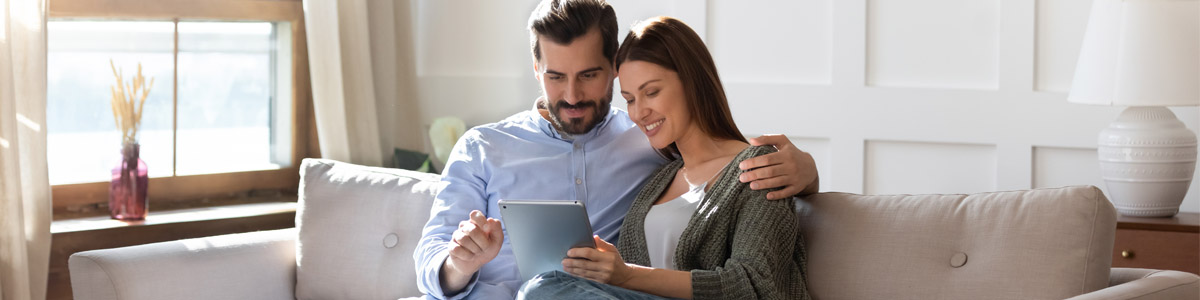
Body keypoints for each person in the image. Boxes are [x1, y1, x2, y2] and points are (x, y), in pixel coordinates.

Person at [413, 1, 818, 299]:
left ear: (613, 66)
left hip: (580, 294)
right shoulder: (482, 147)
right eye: (555, 76)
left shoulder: (647, 141)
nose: (572, 95)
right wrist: (460, 262)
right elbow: (431, 258)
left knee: (545, 289)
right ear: (536, 69)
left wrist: (807, 174)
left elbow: (726, 173)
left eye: (589, 75)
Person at [516, 16, 809, 300]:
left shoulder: (758, 168)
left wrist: (627, 275)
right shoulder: (660, 178)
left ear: (691, 82)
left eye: (652, 92)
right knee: (548, 282)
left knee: (541, 290)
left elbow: (753, 285)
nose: (639, 112)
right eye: (630, 99)